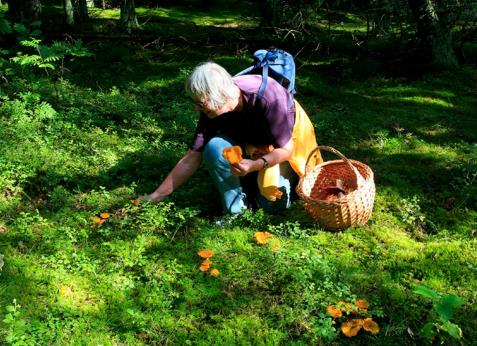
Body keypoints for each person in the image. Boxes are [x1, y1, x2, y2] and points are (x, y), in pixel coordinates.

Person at [143, 61, 322, 214]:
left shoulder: (268, 97)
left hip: (285, 146)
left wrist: (256, 165)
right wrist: (157, 195)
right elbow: (191, 158)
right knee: (214, 148)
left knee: (272, 205)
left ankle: (259, 182)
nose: (197, 109)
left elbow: (286, 150)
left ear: (220, 95)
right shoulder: (211, 108)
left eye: (200, 103)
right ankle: (236, 210)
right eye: (195, 103)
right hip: (254, 143)